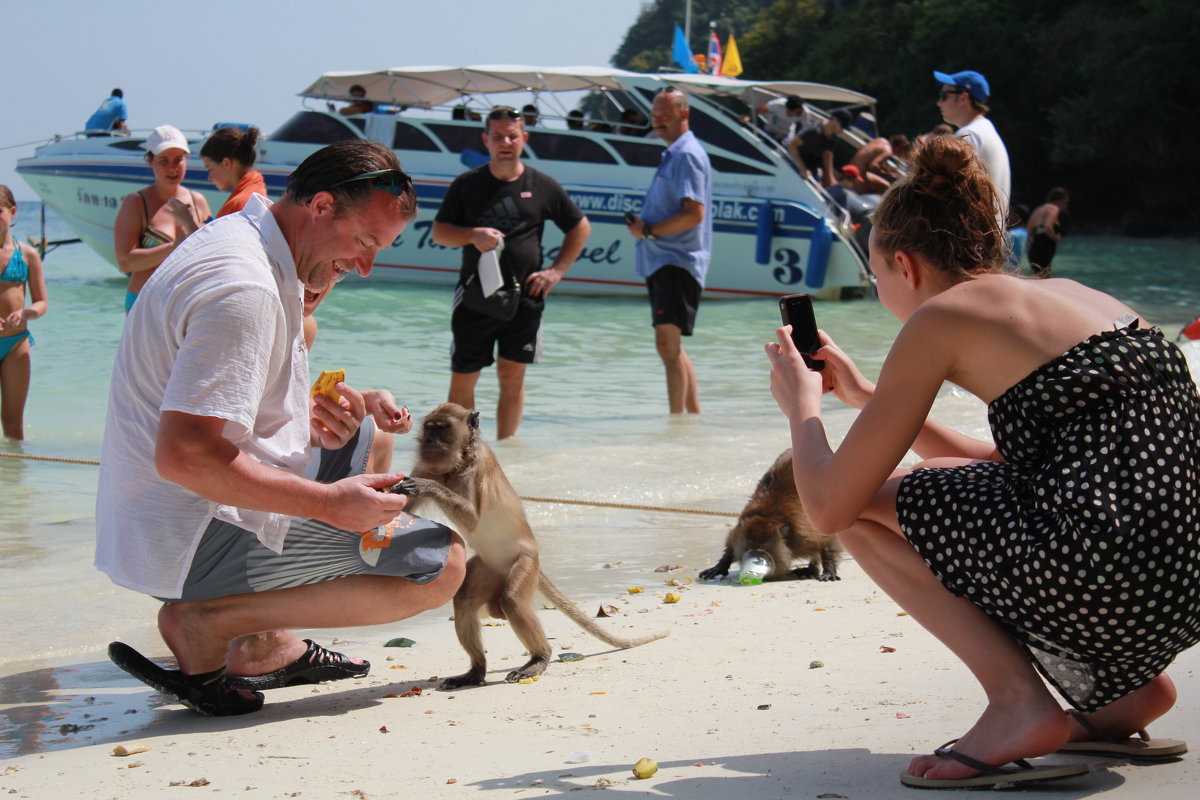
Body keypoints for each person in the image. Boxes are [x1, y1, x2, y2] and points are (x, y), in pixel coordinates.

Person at [765, 134, 1197, 789]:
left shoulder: (942, 316)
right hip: (1181, 586)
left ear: (905, 267)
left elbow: (827, 506)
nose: (884, 292)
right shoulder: (1075, 300)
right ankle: (1124, 696)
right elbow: (1009, 464)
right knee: (958, 487)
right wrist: (861, 394)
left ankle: (1018, 705)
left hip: (1111, 584)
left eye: (878, 277)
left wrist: (803, 407)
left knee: (861, 507)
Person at [95, 139, 467, 716]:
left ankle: (262, 636)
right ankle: (212, 622)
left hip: (160, 517)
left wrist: (328, 417)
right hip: (186, 535)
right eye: (365, 243)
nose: (365, 267)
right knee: (442, 566)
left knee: (370, 438)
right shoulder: (245, 286)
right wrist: (326, 504)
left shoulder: (248, 235)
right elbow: (187, 456)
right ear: (320, 206)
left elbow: (232, 415)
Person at [432, 106, 591, 440]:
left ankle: (506, 454)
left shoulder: (542, 185)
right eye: (498, 136)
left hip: (527, 296)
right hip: (476, 295)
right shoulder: (467, 184)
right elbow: (440, 232)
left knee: (512, 376)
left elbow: (580, 227)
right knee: (464, 377)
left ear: (524, 139)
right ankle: (464, 454)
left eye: (512, 136)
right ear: (486, 140)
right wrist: (472, 235)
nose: (505, 142)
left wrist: (556, 272)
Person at [623, 87, 712, 415]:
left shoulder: (687, 154)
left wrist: (647, 230)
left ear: (683, 114)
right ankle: (692, 417)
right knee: (673, 348)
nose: (657, 121)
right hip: (665, 259)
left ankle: (675, 422)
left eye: (665, 115)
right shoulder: (674, 152)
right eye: (655, 115)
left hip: (676, 259)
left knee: (667, 346)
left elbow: (694, 213)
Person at [302, 282, 410, 474]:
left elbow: (282, 401)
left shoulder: (304, 324)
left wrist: (368, 402)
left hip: (287, 440)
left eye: (340, 270)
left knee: (375, 432)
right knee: (371, 437)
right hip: (249, 459)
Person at [112, 125, 211, 311]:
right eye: (164, 160)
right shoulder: (137, 202)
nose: (172, 168)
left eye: (178, 160)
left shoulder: (198, 201)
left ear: (187, 160)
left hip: (187, 304)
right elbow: (125, 262)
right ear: (150, 161)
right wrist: (175, 247)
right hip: (145, 303)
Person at [0, 186, 48, 440]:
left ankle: (15, 478)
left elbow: (41, 302)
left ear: (12, 212)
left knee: (13, 421)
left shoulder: (27, 254)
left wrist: (26, 312)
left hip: (16, 343)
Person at [934, 69, 1011, 216]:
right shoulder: (985, 131)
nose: (939, 103)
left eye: (944, 96)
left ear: (963, 98)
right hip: (987, 235)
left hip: (971, 236)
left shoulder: (969, 135)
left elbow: (951, 193)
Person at [201, 126, 267, 217]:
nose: (209, 177)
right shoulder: (256, 192)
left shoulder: (241, 205)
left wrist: (188, 223)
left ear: (226, 164)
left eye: (210, 169)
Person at [788, 108, 853, 188]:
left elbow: (828, 155)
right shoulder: (813, 131)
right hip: (796, 163)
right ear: (834, 119)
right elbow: (792, 145)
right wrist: (802, 168)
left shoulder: (833, 137)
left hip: (812, 169)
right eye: (842, 126)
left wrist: (830, 178)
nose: (842, 130)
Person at [1027, 187, 1070, 275]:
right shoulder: (1053, 209)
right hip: (1044, 249)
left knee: (1037, 277)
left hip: (1033, 250)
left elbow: (1029, 229)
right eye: (1064, 203)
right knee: (1045, 278)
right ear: (1059, 200)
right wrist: (1055, 238)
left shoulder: (1038, 209)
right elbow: (1047, 227)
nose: (1064, 206)